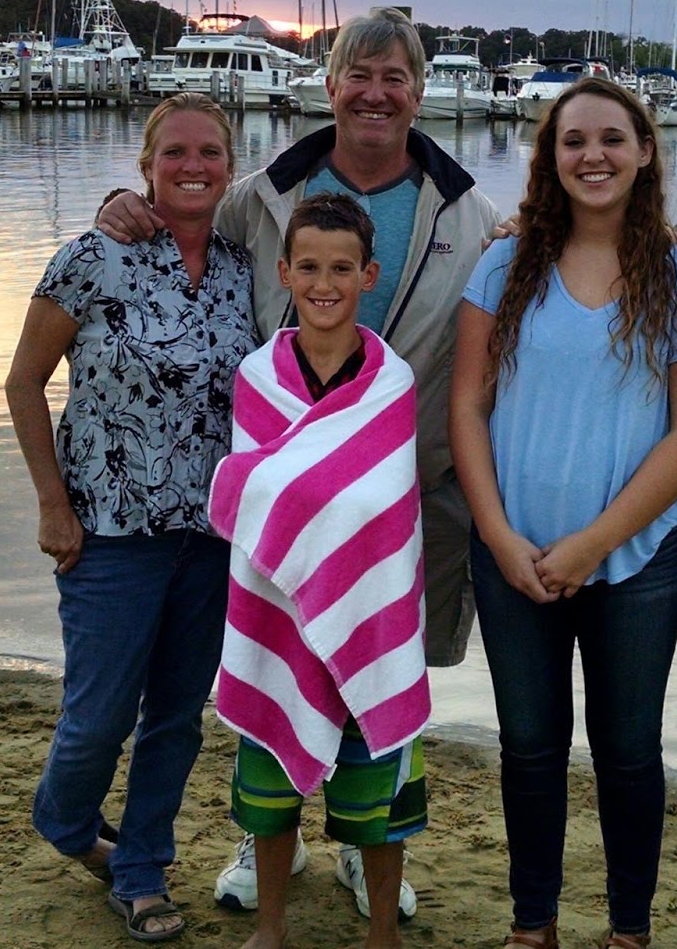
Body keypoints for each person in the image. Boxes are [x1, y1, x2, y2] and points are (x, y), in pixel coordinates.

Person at [95, 6, 499, 919]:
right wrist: (126, 207)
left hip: (401, 498)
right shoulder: (265, 193)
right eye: (359, 75)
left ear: (419, 92)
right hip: (279, 499)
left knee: (386, 669)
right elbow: (182, 223)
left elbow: (540, 256)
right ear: (329, 85)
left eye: (395, 78)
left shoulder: (469, 210)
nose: (375, 93)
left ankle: (369, 844)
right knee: (280, 654)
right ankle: (266, 831)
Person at [450, 78, 677, 949]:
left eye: (613, 138)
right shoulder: (506, 261)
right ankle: (532, 924)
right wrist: (500, 536)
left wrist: (594, 543)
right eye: (574, 141)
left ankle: (629, 929)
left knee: (627, 752)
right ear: (551, 158)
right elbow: (466, 406)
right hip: (512, 556)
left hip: (638, 561)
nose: (594, 155)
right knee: (529, 749)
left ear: (646, 151)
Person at [5, 94, 260, 943]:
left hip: (211, 536)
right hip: (108, 530)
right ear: (148, 164)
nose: (195, 167)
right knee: (98, 716)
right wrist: (52, 502)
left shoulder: (240, 266)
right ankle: (68, 821)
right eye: (177, 153)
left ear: (231, 164)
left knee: (178, 716)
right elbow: (23, 382)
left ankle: (141, 870)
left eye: (212, 153)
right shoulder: (93, 256)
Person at [209, 194, 428, 949]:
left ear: (369, 274)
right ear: (284, 271)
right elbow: (250, 485)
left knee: (378, 795)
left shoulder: (391, 382)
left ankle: (381, 934)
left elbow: (387, 503)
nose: (324, 282)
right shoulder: (257, 378)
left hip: (366, 605)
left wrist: (307, 501)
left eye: (342, 267)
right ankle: (271, 926)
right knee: (270, 789)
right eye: (309, 267)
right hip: (278, 608)